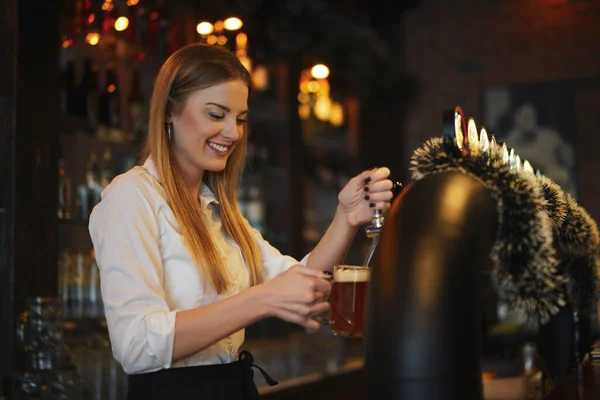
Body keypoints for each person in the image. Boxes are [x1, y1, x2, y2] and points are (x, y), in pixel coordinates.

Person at [88, 43, 393, 400]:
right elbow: (136, 345)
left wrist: (346, 217)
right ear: (170, 110)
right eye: (216, 115)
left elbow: (296, 280)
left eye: (240, 118)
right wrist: (262, 300)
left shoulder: (218, 209)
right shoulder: (131, 197)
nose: (233, 133)